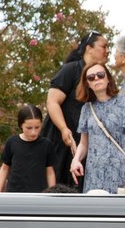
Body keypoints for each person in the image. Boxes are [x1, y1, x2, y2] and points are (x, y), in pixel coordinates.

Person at [43, 30, 109, 189]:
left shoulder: (103, 76)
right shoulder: (70, 70)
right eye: (104, 46)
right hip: (61, 142)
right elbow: (52, 102)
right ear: (89, 48)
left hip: (86, 145)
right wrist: (64, 129)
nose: (108, 51)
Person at [71, 62, 125, 194]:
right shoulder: (86, 108)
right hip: (94, 174)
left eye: (100, 75)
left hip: (120, 172)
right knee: (94, 212)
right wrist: (76, 159)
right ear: (87, 84)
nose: (96, 78)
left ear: (108, 78)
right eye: (91, 77)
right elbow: (84, 143)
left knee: (118, 212)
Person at [0, 104, 56, 193]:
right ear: (21, 125)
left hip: (39, 194)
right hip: (14, 193)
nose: (33, 132)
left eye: (37, 127)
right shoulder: (12, 142)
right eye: (29, 128)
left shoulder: (46, 144)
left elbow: (50, 172)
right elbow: (4, 168)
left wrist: (53, 194)